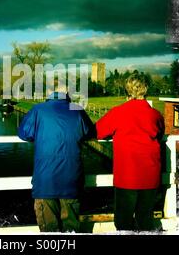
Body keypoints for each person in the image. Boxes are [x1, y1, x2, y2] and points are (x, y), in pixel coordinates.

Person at [18, 90, 95, 233]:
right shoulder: (77, 109)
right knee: (71, 230)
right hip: (72, 179)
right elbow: (90, 132)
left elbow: (23, 133)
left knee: (49, 232)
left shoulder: (38, 109)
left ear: (48, 95)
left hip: (45, 181)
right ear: (67, 96)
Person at [96, 73, 165, 231]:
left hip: (127, 176)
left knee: (123, 221)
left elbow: (98, 131)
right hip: (150, 175)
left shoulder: (118, 112)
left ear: (127, 89)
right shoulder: (155, 115)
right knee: (145, 220)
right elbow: (160, 134)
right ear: (146, 89)